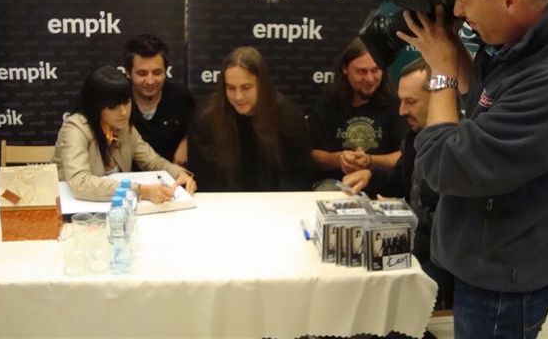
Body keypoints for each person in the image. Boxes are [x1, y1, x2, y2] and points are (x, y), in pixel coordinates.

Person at [394, 0, 548, 337]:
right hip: (486, 258)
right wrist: (454, 52)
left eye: (465, 0)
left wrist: (441, 72)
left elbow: (446, 166)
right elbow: (483, 103)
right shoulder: (524, 43)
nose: (458, 11)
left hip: (503, 283)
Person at [342, 58, 453, 311]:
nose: (402, 111)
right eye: (401, 101)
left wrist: (402, 215)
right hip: (410, 249)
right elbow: (400, 182)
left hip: (438, 268)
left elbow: (450, 226)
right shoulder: (415, 136)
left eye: (410, 102)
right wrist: (371, 176)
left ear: (440, 98)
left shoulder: (459, 148)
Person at [53, 65, 197, 203]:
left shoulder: (123, 127)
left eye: (126, 102)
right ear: (95, 106)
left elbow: (153, 162)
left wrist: (179, 174)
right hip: (76, 211)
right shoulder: (75, 129)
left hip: (119, 208)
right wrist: (138, 191)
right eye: (113, 106)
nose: (123, 112)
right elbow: (80, 183)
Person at [187, 46, 313, 191]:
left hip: (276, 200)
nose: (238, 96)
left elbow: (300, 175)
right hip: (224, 201)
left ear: (262, 85)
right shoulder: (206, 118)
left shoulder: (288, 116)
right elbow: (202, 178)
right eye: (231, 88)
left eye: (246, 87)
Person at [309, 37, 407, 189]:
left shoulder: (396, 104)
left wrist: (370, 160)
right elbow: (313, 155)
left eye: (375, 70)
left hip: (381, 184)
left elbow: (405, 156)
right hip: (336, 185)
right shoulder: (328, 103)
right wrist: (340, 159)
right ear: (345, 69)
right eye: (362, 71)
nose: (369, 78)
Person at [124, 34, 194, 166]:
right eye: (142, 73)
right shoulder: (118, 100)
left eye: (157, 73)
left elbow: (198, 130)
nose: (150, 81)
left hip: (174, 174)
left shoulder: (181, 97)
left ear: (166, 71)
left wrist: (187, 142)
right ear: (128, 73)